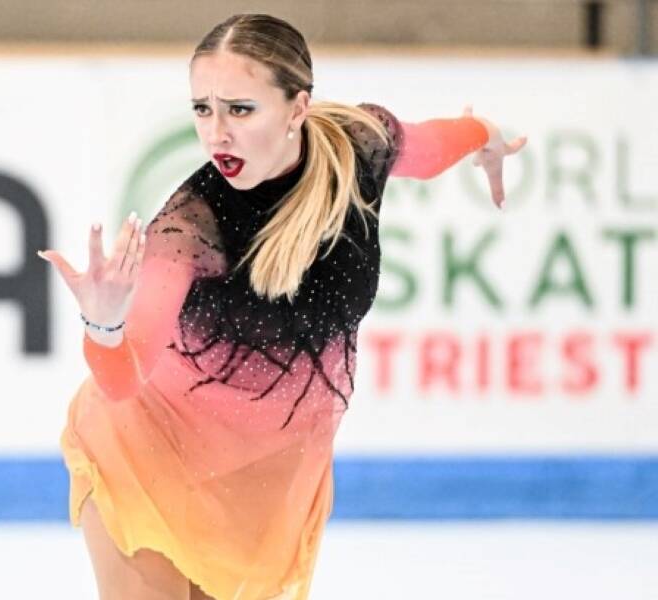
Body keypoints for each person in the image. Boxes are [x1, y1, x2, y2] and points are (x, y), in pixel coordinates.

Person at [39, 13, 527, 600]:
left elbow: (429, 149)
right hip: (147, 454)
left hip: (262, 486)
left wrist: (487, 133)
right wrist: (103, 323)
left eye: (240, 110)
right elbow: (123, 379)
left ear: (298, 108)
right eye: (202, 109)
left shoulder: (357, 146)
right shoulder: (190, 227)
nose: (216, 133)